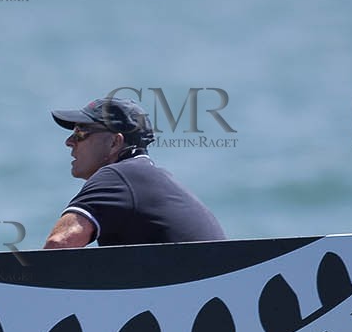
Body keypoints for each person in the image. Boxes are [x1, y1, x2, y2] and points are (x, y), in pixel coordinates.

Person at [43, 97, 225, 248]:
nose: (69, 141)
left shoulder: (117, 177)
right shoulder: (145, 178)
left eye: (80, 132)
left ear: (114, 143)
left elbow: (59, 243)